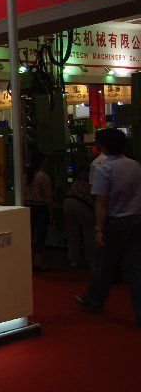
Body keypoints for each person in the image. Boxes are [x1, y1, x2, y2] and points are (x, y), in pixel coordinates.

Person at [75, 129, 141, 325]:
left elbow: (101, 202)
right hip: (136, 219)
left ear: (102, 147)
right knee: (137, 268)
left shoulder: (103, 169)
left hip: (114, 221)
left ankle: (94, 300)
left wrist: (99, 229)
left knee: (103, 264)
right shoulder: (135, 165)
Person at [23, 152, 53, 271]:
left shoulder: (26, 175)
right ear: (41, 162)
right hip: (40, 209)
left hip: (28, 208)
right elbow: (48, 197)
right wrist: (51, 214)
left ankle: (27, 260)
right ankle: (38, 261)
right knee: (40, 236)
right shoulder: (43, 176)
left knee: (28, 235)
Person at [64, 165, 95, 268]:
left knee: (72, 233)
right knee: (89, 232)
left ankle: (73, 260)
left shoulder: (78, 178)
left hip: (68, 200)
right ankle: (91, 259)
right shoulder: (93, 178)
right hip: (83, 203)